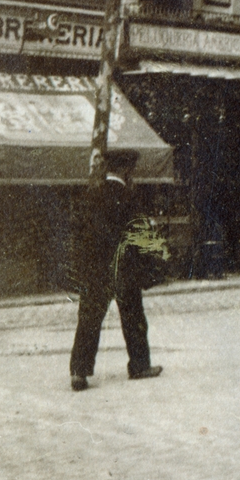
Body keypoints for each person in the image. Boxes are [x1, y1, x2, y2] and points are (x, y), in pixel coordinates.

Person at [68, 149, 161, 391]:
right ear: (126, 170)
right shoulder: (129, 197)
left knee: (88, 320)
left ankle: (79, 371)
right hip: (124, 270)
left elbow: (79, 233)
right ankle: (140, 366)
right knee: (133, 318)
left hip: (95, 270)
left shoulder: (90, 195)